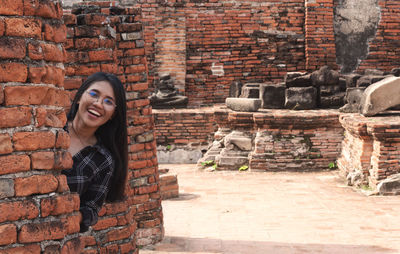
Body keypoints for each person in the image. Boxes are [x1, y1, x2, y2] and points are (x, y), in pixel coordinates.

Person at [62, 72, 128, 232]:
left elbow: (91, 209)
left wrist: (71, 217)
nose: (98, 104)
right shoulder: (51, 128)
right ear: (79, 97)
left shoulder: (103, 160)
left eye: (108, 102)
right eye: (94, 94)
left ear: (113, 114)